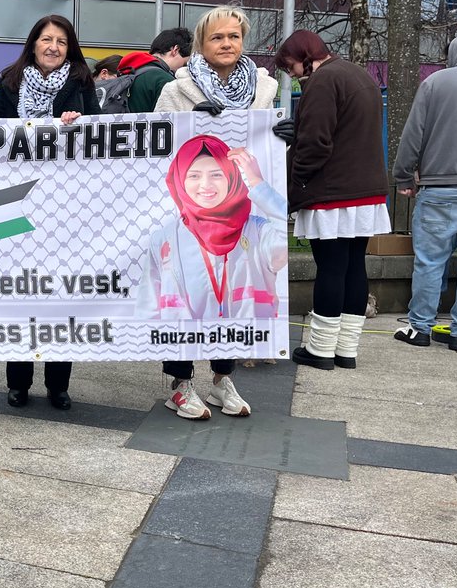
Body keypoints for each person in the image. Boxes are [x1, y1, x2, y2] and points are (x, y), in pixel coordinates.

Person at [0, 14, 99, 410]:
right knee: (19, 293)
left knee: (61, 295)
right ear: (33, 44)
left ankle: (58, 383)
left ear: (69, 47)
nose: (53, 46)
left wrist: (82, 125)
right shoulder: (10, 80)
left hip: (65, 208)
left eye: (61, 40)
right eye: (46, 39)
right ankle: (18, 381)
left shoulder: (82, 82)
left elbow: (105, 138)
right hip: (17, 200)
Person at [137, 134, 286, 419]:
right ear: (180, 179)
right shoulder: (166, 237)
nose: (205, 185)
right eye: (194, 175)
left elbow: (283, 247)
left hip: (234, 325)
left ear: (232, 177)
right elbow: (150, 294)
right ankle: (180, 384)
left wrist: (258, 184)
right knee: (181, 320)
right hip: (181, 328)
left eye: (216, 174)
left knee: (224, 315)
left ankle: (221, 381)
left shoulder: (255, 230)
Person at [278, 31, 389, 370]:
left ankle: (322, 350)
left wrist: (294, 184)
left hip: (332, 190)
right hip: (366, 189)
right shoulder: (357, 73)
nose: (292, 74)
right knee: (355, 266)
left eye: (290, 66)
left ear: (304, 56)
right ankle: (345, 349)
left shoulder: (323, 81)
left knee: (331, 267)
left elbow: (316, 143)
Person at [392, 32, 457, 351]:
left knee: (429, 260)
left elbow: (413, 135)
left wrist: (404, 177)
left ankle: (419, 328)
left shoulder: (435, 83)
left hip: (439, 188)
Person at [154, 6, 278, 114]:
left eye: (234, 36)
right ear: (201, 45)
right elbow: (160, 138)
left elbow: (266, 138)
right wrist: (190, 122)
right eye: (217, 38)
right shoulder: (175, 91)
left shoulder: (262, 88)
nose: (226, 44)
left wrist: (284, 138)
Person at [124, 27, 193, 113]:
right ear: (175, 50)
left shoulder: (129, 71)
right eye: (184, 64)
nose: (184, 68)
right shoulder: (165, 81)